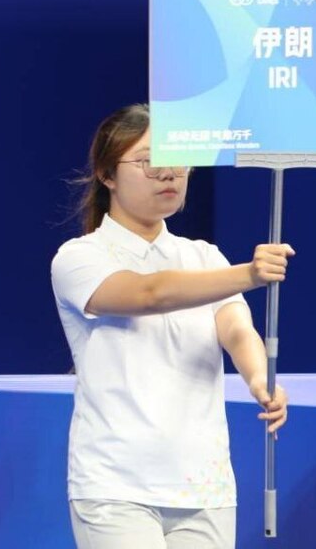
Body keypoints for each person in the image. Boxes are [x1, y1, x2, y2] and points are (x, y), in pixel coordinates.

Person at [51, 103, 292, 549]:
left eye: (178, 161)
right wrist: (249, 274)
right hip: (115, 487)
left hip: (205, 486)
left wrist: (261, 381)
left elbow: (237, 329)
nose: (168, 174)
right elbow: (150, 293)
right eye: (148, 161)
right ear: (107, 174)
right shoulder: (79, 257)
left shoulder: (204, 256)